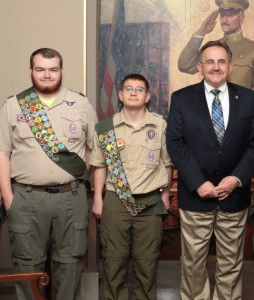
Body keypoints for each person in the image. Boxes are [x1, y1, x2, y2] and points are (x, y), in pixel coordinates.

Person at [0, 48, 98, 300]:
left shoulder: (80, 103)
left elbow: (94, 148)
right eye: (40, 69)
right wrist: (8, 196)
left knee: (71, 261)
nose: (47, 75)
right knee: (27, 263)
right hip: (26, 198)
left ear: (61, 71)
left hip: (70, 198)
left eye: (53, 69)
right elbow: (2, 152)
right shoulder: (13, 105)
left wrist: (76, 177)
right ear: (30, 71)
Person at [167, 40, 254, 299]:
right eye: (209, 62)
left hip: (234, 196)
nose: (215, 67)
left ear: (230, 65)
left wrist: (236, 178)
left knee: (231, 265)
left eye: (221, 61)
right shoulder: (181, 99)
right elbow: (175, 142)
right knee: (193, 264)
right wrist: (197, 182)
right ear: (199, 66)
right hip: (195, 196)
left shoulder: (249, 99)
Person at [89, 73, 172, 300]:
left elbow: (167, 163)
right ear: (120, 95)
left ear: (147, 96)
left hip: (150, 202)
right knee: (114, 261)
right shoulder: (106, 127)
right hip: (116, 201)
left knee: (147, 263)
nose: (133, 92)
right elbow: (99, 166)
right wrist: (98, 199)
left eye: (139, 89)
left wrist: (165, 195)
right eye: (128, 88)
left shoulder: (160, 125)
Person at [178, 0, 254, 90]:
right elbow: (184, 66)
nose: (224, 20)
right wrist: (201, 31)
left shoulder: (251, 49)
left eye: (230, 15)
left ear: (241, 18)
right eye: (222, 15)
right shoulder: (211, 48)